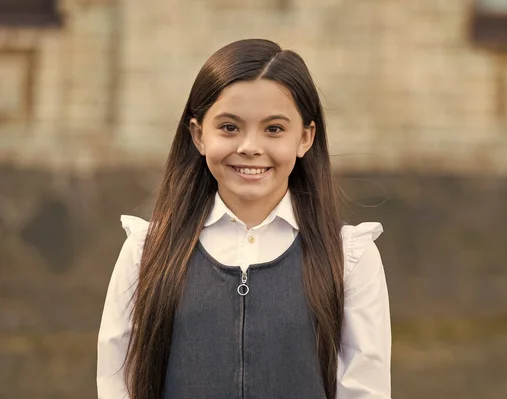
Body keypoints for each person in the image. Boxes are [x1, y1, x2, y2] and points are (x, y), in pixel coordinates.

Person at [97, 38, 391, 399]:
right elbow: (118, 384)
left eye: (274, 129)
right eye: (230, 127)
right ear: (198, 134)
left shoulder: (349, 257)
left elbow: (365, 390)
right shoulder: (147, 252)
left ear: (305, 137)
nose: (250, 147)